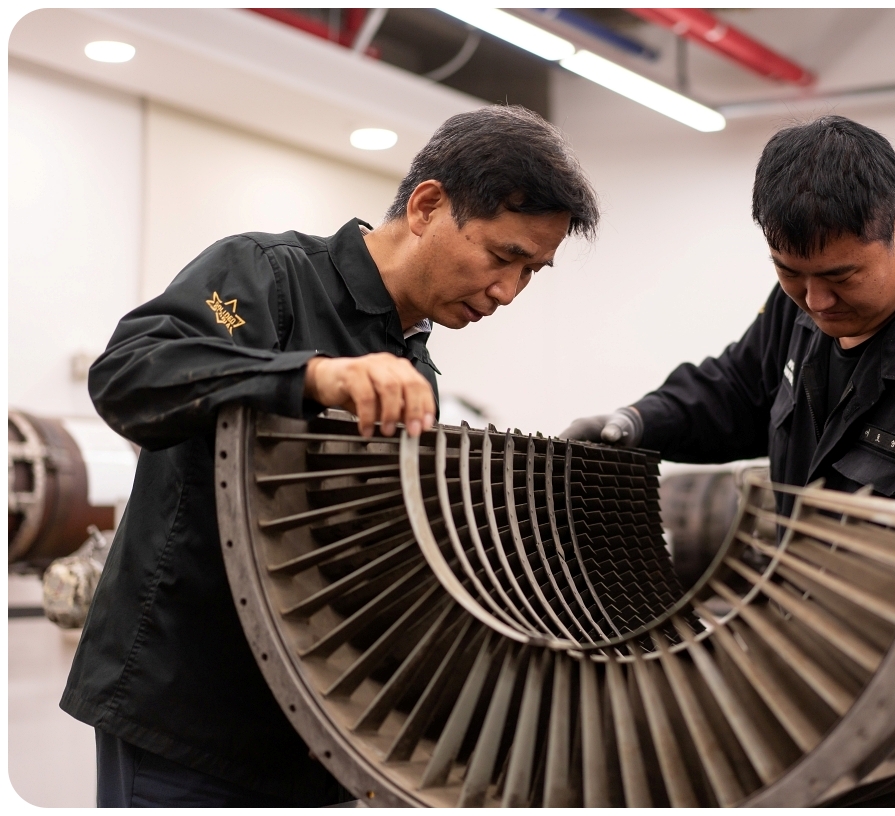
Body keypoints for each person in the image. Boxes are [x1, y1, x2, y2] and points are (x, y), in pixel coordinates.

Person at [62, 105, 599, 807]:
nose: (508, 292)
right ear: (427, 206)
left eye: (531, 272)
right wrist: (311, 375)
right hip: (188, 715)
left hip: (320, 730)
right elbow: (130, 375)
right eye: (503, 258)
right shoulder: (265, 275)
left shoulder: (415, 366)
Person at [563, 114, 895, 796]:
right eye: (789, 273)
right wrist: (635, 422)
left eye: (841, 276)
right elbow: (739, 389)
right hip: (810, 698)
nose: (816, 302)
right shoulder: (804, 299)